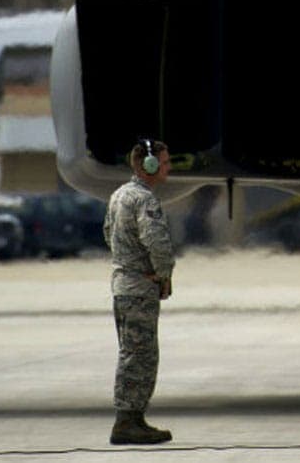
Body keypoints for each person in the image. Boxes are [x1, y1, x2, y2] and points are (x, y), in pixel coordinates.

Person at [103, 138, 176, 445]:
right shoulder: (145, 200)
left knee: (131, 352)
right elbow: (156, 240)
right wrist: (163, 274)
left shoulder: (119, 195)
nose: (168, 166)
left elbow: (108, 233)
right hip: (139, 290)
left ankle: (131, 419)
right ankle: (128, 421)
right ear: (149, 165)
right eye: (165, 161)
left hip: (122, 286)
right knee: (140, 356)